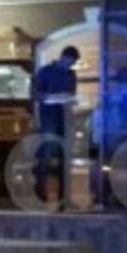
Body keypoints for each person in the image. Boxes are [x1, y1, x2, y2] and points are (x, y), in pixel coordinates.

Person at [32, 45, 79, 206]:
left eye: (72, 64)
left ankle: (63, 195)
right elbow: (36, 94)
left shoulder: (71, 74)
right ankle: (40, 192)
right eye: (69, 62)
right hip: (49, 117)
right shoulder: (45, 72)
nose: (70, 66)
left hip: (65, 117)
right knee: (47, 154)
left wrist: (68, 99)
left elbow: (72, 95)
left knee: (64, 156)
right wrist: (57, 97)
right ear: (63, 57)